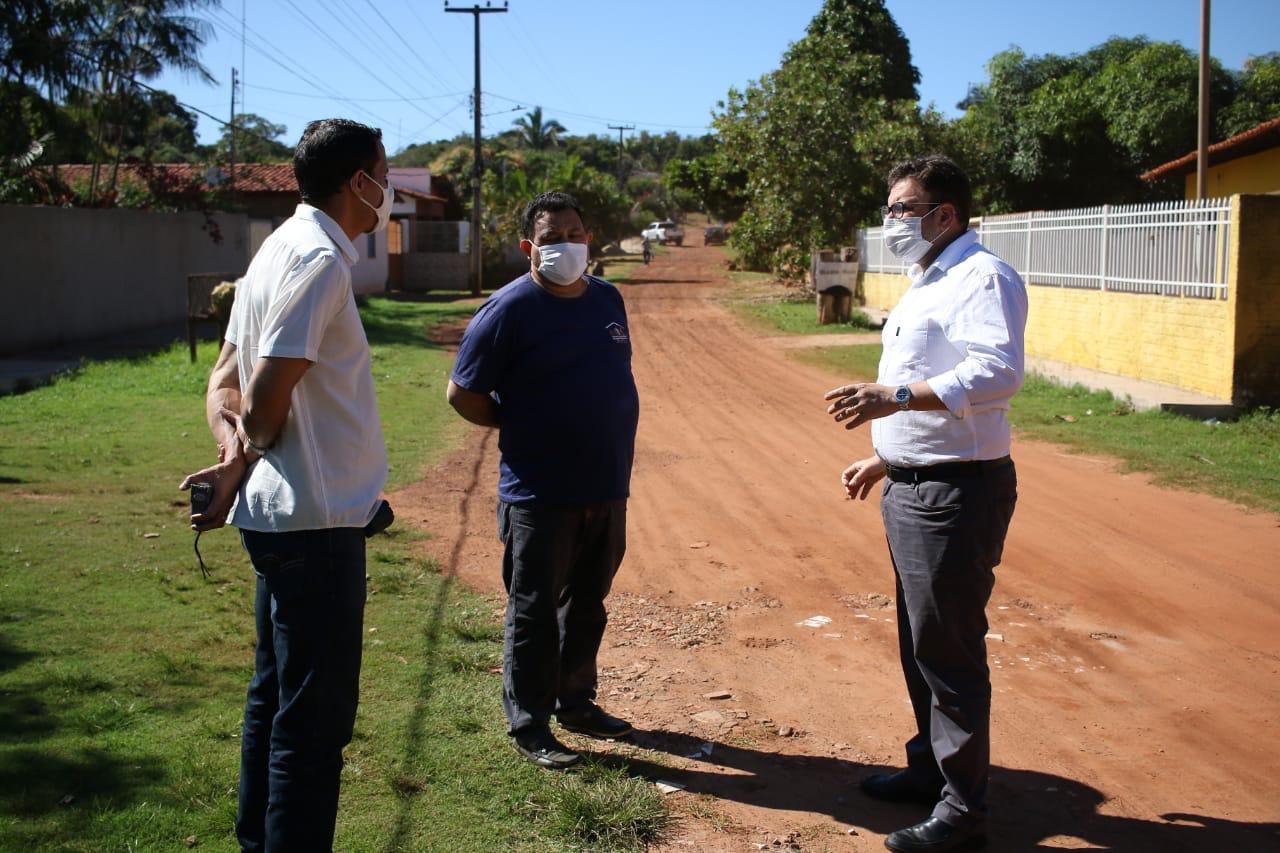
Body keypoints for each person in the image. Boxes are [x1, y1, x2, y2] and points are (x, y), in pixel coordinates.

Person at [180, 118, 393, 851]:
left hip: (282, 521)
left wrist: (229, 446)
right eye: (382, 172)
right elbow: (263, 394)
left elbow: (223, 383)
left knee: (273, 704)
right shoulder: (318, 262)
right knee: (311, 725)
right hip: (317, 525)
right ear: (355, 181)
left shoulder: (274, 249)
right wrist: (242, 453)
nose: (386, 191)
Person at [823, 155, 1026, 853]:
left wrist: (895, 397)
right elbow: (934, 386)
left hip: (955, 495)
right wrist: (888, 456)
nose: (890, 220)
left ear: (946, 215)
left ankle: (964, 813)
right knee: (920, 642)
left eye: (902, 208)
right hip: (915, 484)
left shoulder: (982, 276)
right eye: (888, 207)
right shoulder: (926, 282)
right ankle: (930, 770)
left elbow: (998, 371)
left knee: (949, 651)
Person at [446, 191, 640, 770]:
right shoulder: (507, 309)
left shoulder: (608, 299)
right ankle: (530, 725)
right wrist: (522, 423)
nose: (568, 244)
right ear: (530, 247)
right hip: (539, 492)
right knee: (532, 610)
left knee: (588, 603)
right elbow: (463, 394)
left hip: (605, 484)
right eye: (554, 237)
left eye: (576, 233)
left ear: (590, 240)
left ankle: (575, 702)